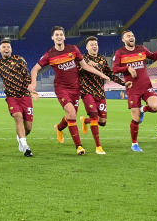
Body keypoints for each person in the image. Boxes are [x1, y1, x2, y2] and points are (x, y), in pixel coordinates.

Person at [32, 26, 110, 156]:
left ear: (64, 36)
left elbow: (84, 66)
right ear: (53, 38)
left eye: (61, 34)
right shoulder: (49, 54)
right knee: (72, 114)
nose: (59, 37)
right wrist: (33, 83)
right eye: (56, 35)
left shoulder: (73, 49)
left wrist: (101, 74)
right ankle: (79, 146)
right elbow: (35, 69)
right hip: (61, 89)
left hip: (76, 88)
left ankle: (59, 127)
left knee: (71, 116)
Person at [112, 30, 157, 152]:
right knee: (136, 119)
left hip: (146, 86)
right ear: (123, 40)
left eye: (132, 35)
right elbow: (115, 69)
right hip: (132, 89)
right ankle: (134, 144)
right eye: (128, 36)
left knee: (155, 107)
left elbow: (154, 57)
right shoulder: (120, 52)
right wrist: (127, 68)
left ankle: (143, 109)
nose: (131, 37)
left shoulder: (141, 49)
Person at [0, 39, 36, 157]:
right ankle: (26, 147)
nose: (6, 49)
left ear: (11, 49)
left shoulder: (19, 60)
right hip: (12, 97)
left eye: (8, 47)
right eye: (3, 47)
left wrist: (31, 89)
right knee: (18, 117)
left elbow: (27, 76)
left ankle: (20, 137)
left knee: (28, 127)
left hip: (25, 96)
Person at [77, 36, 113, 155]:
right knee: (94, 116)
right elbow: (76, 71)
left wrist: (122, 82)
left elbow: (109, 73)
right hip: (87, 92)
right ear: (87, 47)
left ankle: (84, 121)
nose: (94, 46)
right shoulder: (82, 59)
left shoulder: (102, 59)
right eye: (91, 44)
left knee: (102, 121)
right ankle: (98, 146)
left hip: (100, 93)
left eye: (96, 44)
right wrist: (84, 65)